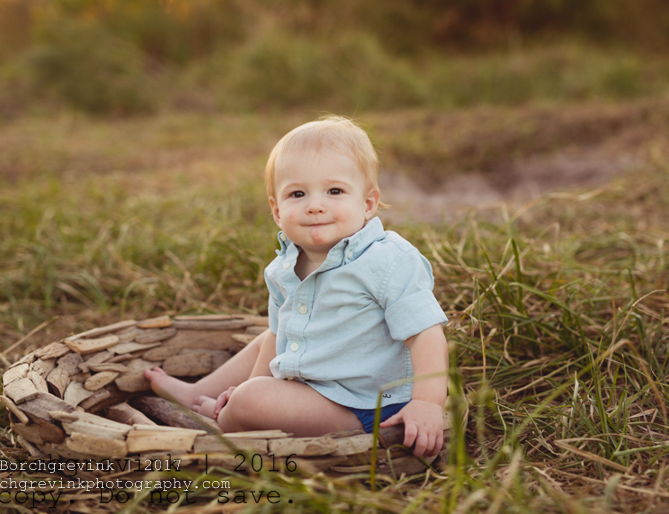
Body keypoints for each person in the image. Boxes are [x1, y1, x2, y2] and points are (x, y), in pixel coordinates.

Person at [145, 116, 449, 458]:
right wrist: (254, 387)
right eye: (297, 193)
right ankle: (201, 391)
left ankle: (226, 416)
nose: (315, 205)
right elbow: (278, 340)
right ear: (277, 211)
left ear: (368, 204)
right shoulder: (283, 268)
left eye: (334, 191)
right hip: (313, 389)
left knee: (249, 401)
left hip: (366, 405)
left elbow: (425, 334)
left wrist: (426, 402)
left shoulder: (387, 260)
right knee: (274, 335)